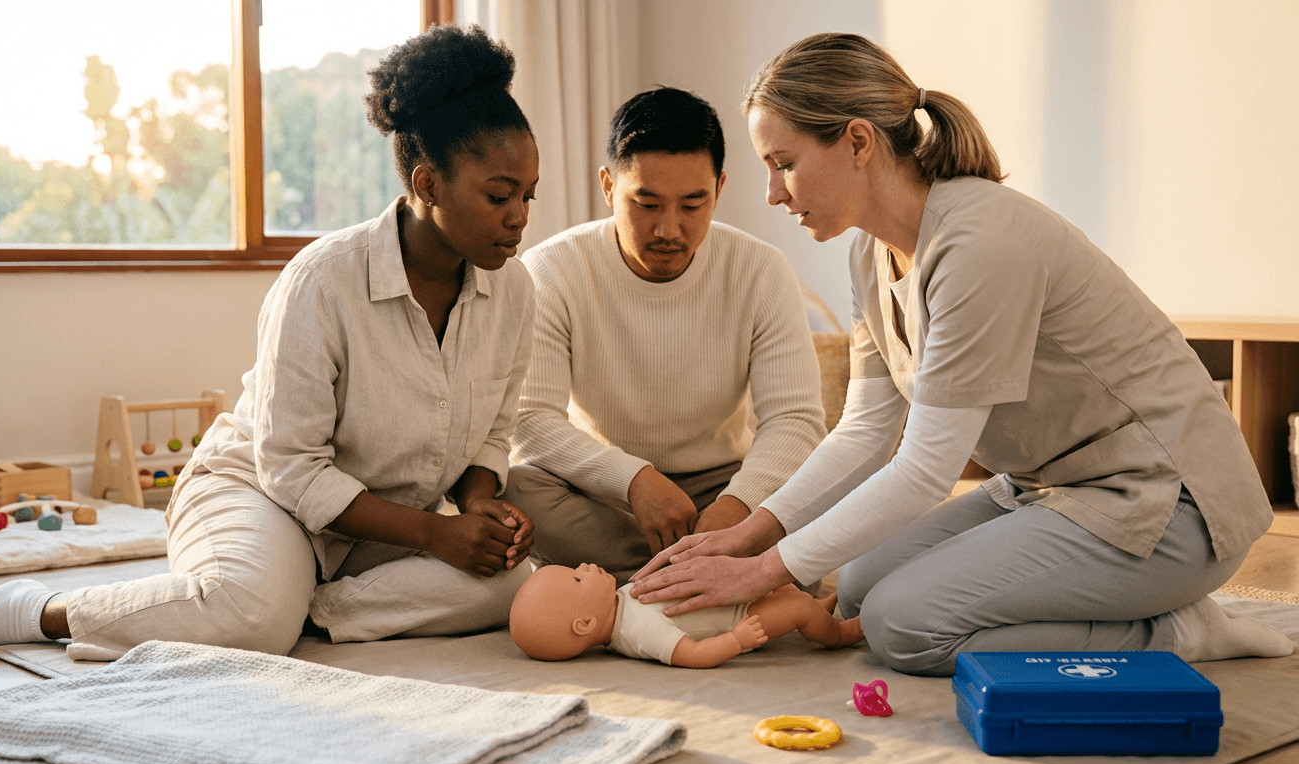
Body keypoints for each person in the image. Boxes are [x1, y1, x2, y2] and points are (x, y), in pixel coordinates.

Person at [629, 32, 1294, 676]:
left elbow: (923, 471)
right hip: (1047, 490)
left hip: (1164, 502)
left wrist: (765, 570)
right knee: (859, 587)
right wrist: (753, 534)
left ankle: (1175, 630)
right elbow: (864, 432)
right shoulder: (870, 252)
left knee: (904, 626)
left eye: (784, 164)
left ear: (858, 141)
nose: (773, 193)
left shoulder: (978, 242)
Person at [0, 24, 541, 660]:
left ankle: (301, 609)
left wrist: (478, 512)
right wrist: (434, 537)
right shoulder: (321, 280)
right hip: (261, 496)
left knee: (515, 582)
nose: (519, 215)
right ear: (428, 184)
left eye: (528, 194)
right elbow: (293, 469)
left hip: (378, 530)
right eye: (499, 195)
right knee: (251, 615)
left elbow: (492, 434)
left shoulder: (515, 292)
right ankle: (35, 610)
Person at [502, 87, 827, 585]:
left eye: (693, 204)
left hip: (723, 484)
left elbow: (795, 420)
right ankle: (719, 570)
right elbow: (529, 420)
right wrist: (633, 479)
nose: (668, 230)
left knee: (823, 488)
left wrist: (738, 506)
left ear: (718, 189)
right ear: (609, 187)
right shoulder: (552, 269)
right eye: (646, 204)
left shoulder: (761, 270)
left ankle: (650, 574)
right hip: (608, 493)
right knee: (518, 489)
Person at [509, 563, 861, 668]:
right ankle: (837, 634)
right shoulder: (638, 630)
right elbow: (690, 655)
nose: (584, 566)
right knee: (795, 608)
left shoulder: (620, 602)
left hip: (733, 596)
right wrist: (736, 640)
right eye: (577, 578)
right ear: (584, 623)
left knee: (785, 590)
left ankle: (817, 609)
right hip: (742, 618)